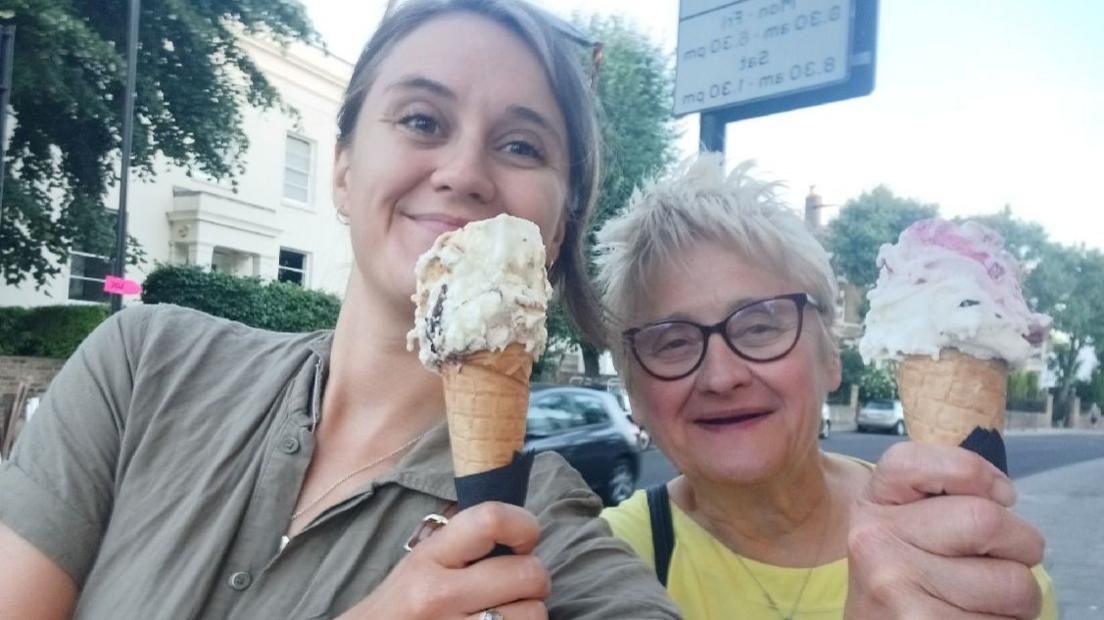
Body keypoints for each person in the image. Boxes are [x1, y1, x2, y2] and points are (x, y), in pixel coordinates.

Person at [0, 1, 681, 618]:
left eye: (522, 146)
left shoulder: (541, 536)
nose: (465, 171)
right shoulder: (144, 364)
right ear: (344, 172)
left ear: (557, 231)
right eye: (421, 120)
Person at [597, 155, 1058, 619]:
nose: (721, 377)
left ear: (830, 357)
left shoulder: (968, 548)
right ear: (634, 392)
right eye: (673, 342)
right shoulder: (596, 568)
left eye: (759, 327)